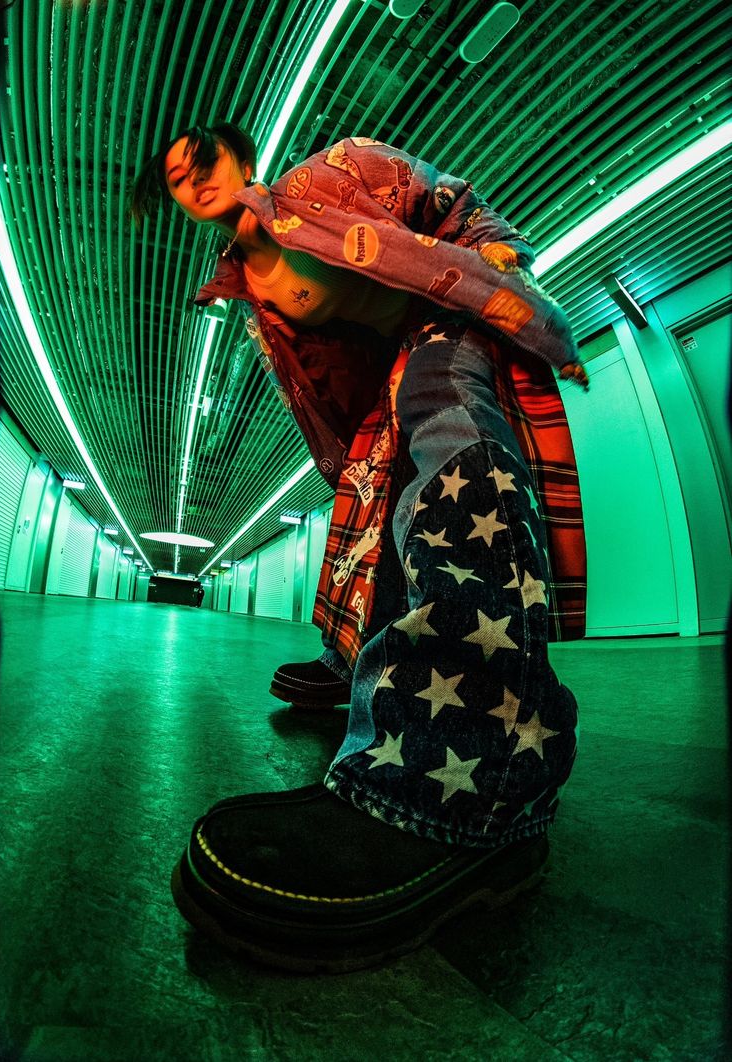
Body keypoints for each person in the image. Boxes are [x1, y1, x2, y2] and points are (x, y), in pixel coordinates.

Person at [130, 124, 589, 973]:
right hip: (380, 390)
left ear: (241, 157)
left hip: (445, 324)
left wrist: (505, 267)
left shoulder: (329, 173)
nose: (193, 180)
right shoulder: (245, 289)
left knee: (448, 432)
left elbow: (446, 198)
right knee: (373, 523)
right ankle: (370, 677)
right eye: (174, 178)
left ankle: (471, 780)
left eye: (204, 161)